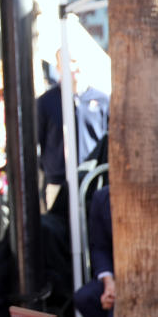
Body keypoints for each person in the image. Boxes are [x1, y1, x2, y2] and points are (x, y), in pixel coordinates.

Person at [36, 50, 109, 211]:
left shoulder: (103, 101)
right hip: (58, 184)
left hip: (92, 181)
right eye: (66, 62)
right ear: (58, 67)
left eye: (74, 61)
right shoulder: (45, 102)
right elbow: (37, 141)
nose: (72, 67)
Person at [74, 185, 114, 317]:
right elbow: (99, 247)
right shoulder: (102, 196)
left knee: (122, 305)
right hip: (117, 274)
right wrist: (109, 282)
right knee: (84, 297)